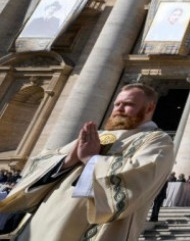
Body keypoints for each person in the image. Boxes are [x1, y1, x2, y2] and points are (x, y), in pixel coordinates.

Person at [0, 83, 173, 240]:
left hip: (85, 228)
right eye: (117, 104)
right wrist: (69, 160)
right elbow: (39, 165)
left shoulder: (157, 140)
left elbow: (141, 177)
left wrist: (90, 159)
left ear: (149, 108)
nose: (119, 109)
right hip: (42, 222)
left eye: (128, 104)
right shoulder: (98, 135)